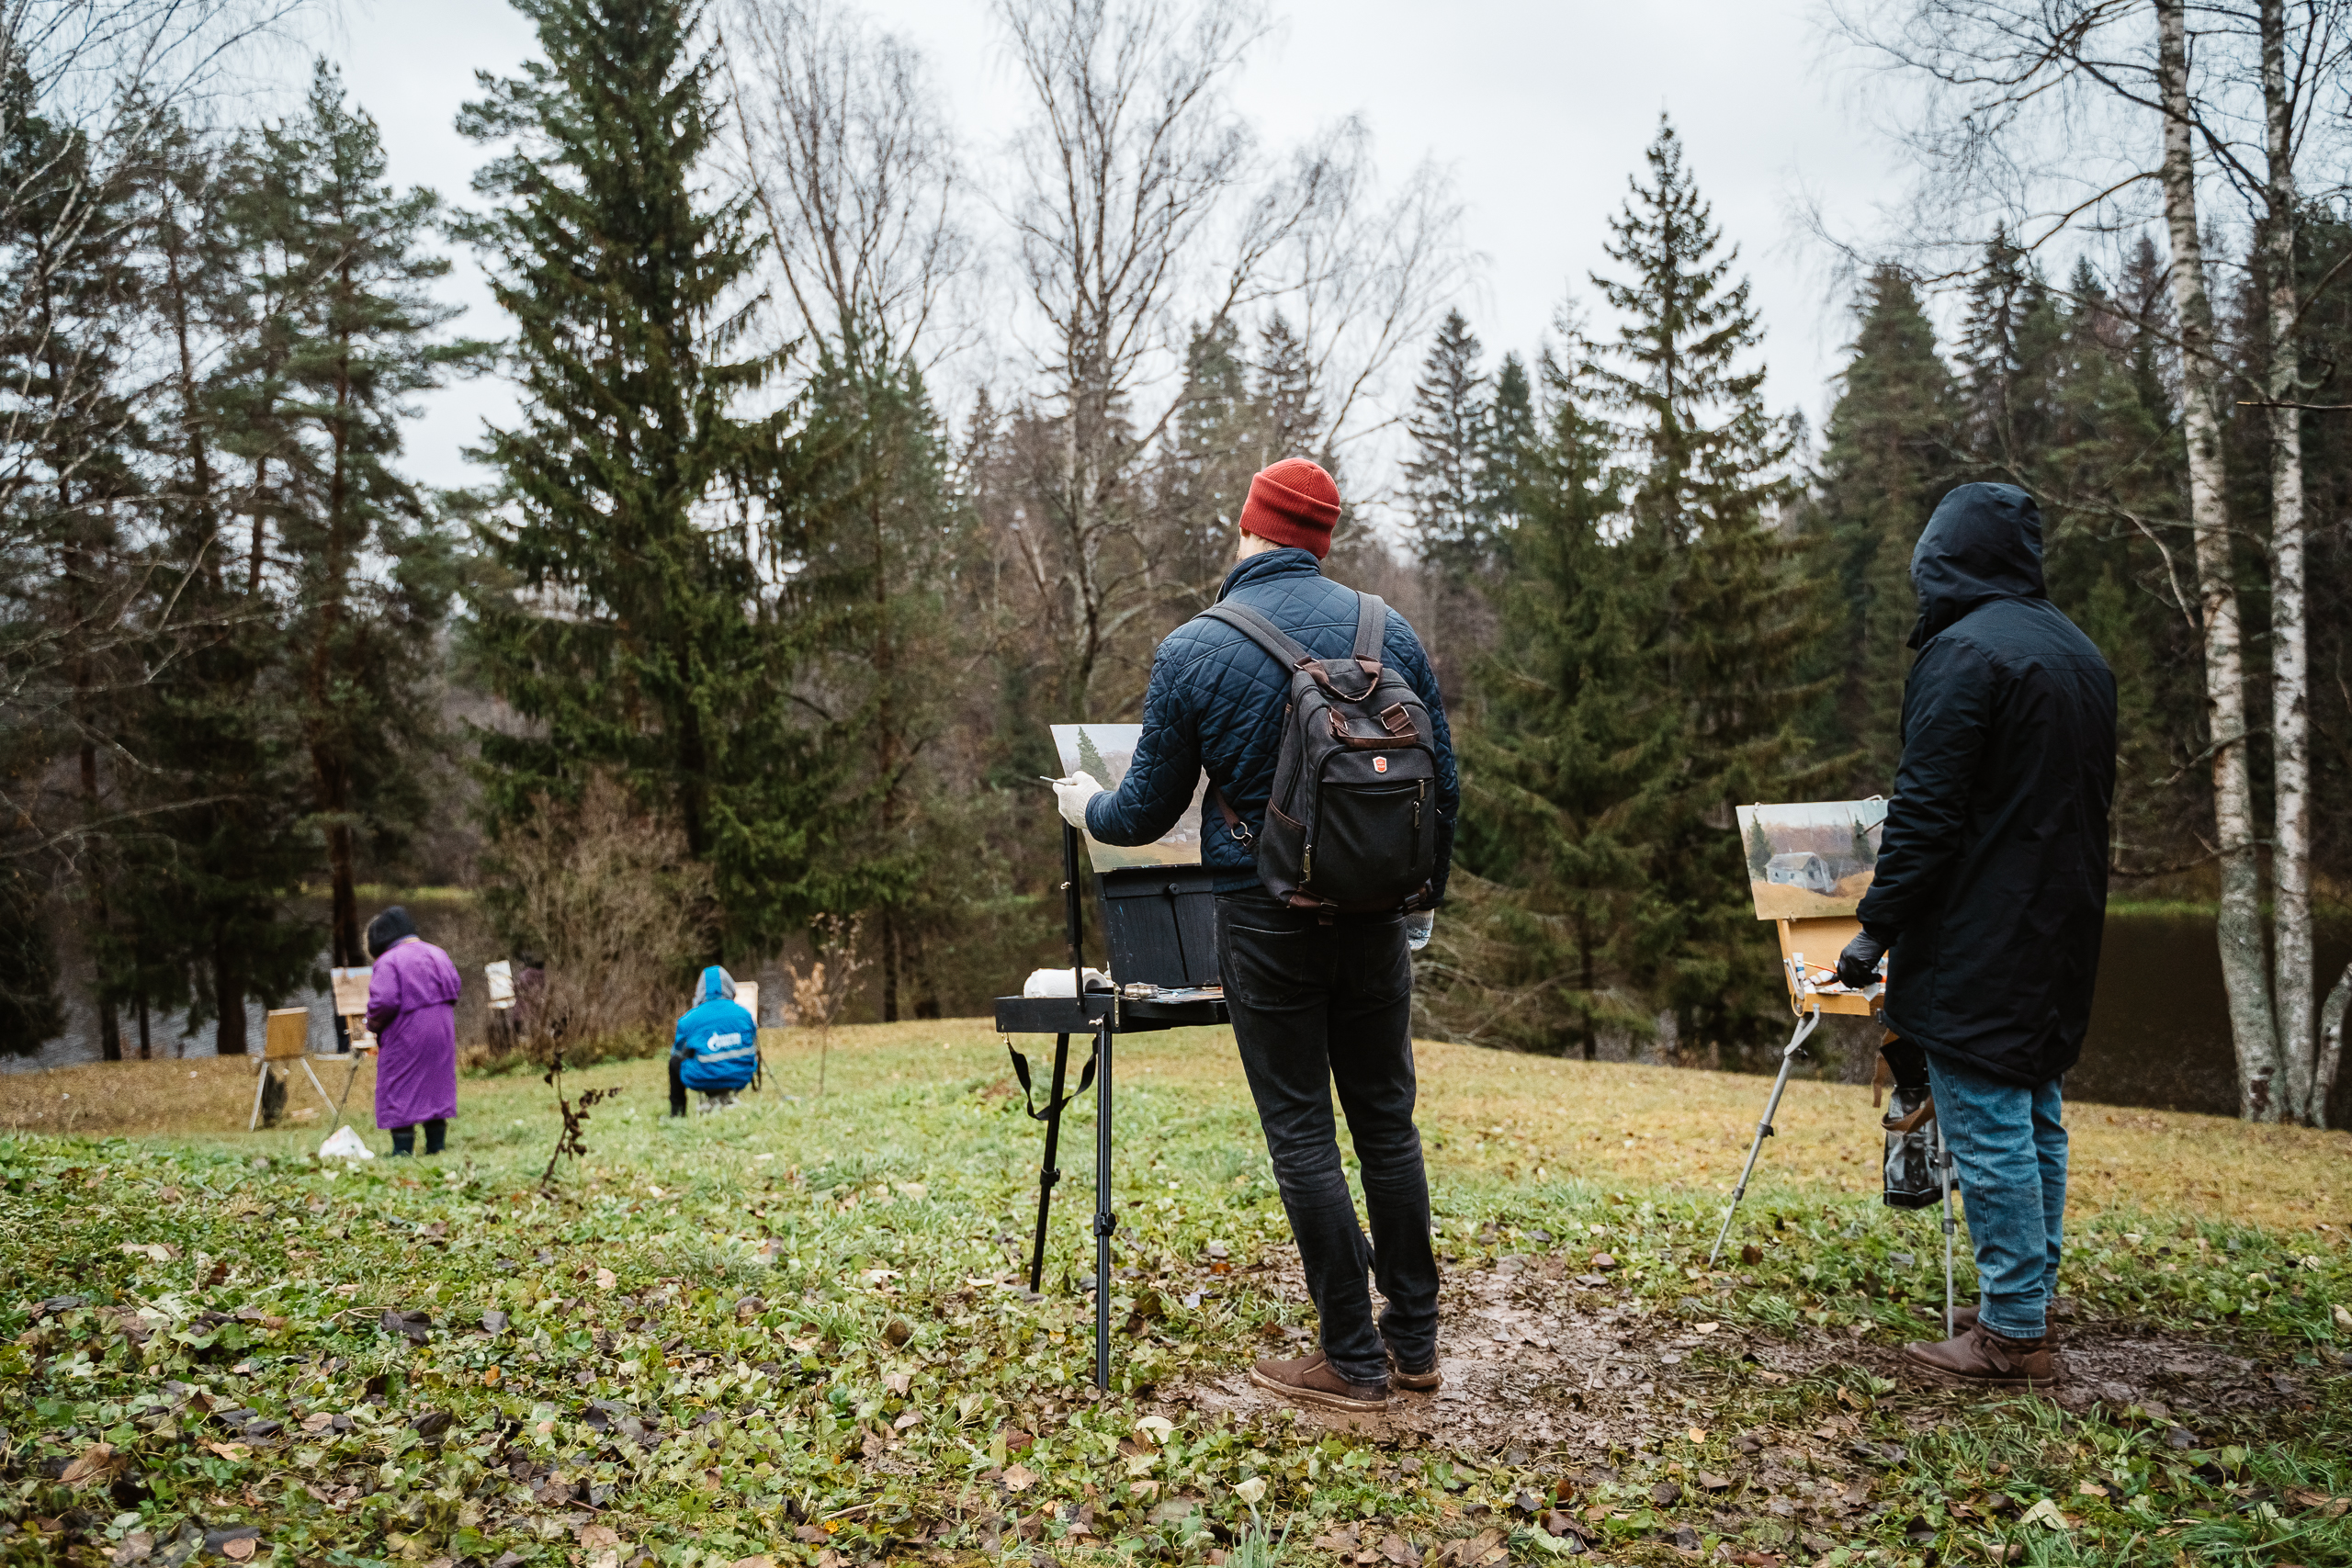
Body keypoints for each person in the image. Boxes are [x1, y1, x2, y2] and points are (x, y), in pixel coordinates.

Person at [1052, 457, 1459, 1416]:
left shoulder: (1195, 648)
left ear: (1249, 529)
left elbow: (1143, 812)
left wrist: (1084, 807)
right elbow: (1444, 783)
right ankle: (1414, 1343)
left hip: (1265, 921)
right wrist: (1415, 898)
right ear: (1319, 539)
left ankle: (1351, 1361)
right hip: (1376, 921)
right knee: (1386, 1126)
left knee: (1302, 1132)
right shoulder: (1389, 630)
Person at [1835, 482, 2116, 1388]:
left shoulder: (1964, 655)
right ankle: (2029, 1298)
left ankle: (2010, 1335)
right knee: (2035, 1114)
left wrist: (1875, 929)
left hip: (1980, 937)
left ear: (1948, 561)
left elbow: (1926, 813)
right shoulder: (2077, 652)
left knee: (1990, 1123)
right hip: (2061, 927)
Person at [364, 906, 464, 1156]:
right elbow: (455, 986)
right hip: (442, 1030)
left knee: (398, 1084)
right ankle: (436, 1146)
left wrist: (372, 1024)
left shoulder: (389, 961)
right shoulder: (438, 953)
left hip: (406, 1032)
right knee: (436, 1084)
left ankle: (402, 1150)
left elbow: (384, 1001)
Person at [672, 965, 759, 1116]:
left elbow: (678, 1052)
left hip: (702, 1079)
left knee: (674, 1062)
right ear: (730, 987)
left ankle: (677, 1112)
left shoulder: (688, 1020)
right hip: (740, 1076)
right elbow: (753, 1043)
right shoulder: (745, 1014)